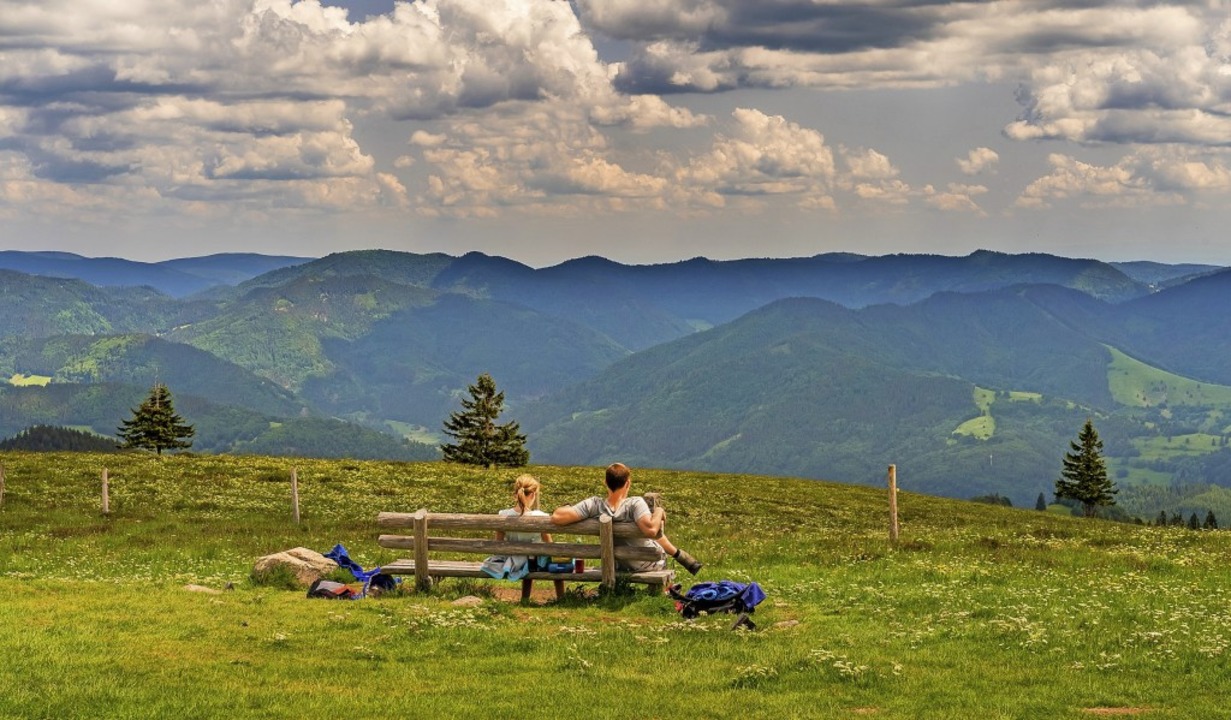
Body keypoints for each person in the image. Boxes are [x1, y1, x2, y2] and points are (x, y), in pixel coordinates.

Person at [550, 462, 702, 576]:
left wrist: (567, 506)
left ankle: (679, 554)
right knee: (653, 537)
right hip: (649, 562)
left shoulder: (595, 505)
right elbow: (651, 530)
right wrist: (659, 511)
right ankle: (679, 556)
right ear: (628, 483)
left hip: (619, 562)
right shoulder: (634, 504)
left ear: (605, 483)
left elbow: (557, 517)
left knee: (649, 535)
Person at [482, 474, 566, 602]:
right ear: (533, 495)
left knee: (527, 557)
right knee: (557, 560)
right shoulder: (540, 516)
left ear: (515, 494)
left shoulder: (503, 515)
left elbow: (498, 544)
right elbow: (550, 545)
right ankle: (562, 598)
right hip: (534, 562)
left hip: (514, 561)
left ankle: (525, 598)